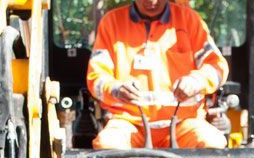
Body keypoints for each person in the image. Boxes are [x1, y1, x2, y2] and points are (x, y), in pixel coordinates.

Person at [87, 0, 230, 149]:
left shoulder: (189, 20)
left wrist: (197, 81)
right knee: (107, 145)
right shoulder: (112, 23)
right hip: (128, 123)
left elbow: (217, 66)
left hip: (184, 123)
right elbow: (96, 77)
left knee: (212, 144)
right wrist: (116, 89)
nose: (152, 2)